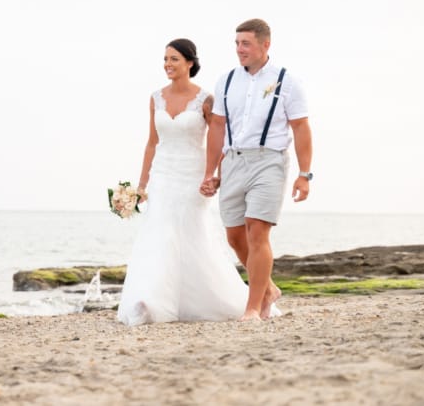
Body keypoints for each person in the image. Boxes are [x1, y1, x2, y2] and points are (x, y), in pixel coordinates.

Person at [117, 38, 269, 326]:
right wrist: (141, 184)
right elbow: (151, 143)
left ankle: (218, 298)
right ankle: (149, 302)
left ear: (190, 63)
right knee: (158, 233)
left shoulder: (206, 99)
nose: (167, 65)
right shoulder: (155, 98)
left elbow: (219, 140)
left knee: (191, 235)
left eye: (174, 59)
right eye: (165, 59)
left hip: (193, 175)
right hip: (163, 174)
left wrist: (214, 175)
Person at [200, 18, 313, 322]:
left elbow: (301, 127)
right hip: (233, 160)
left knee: (257, 230)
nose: (239, 49)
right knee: (235, 235)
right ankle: (269, 290)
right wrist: (210, 172)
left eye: (246, 43)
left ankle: (253, 308)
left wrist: (305, 174)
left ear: (266, 45)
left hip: (270, 160)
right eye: (237, 43)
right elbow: (218, 128)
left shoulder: (287, 81)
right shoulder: (225, 80)